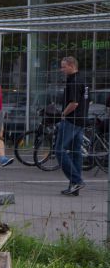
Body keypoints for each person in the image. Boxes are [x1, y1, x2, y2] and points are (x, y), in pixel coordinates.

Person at [56, 56, 90, 196]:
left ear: (71, 66)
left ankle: (76, 180)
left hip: (71, 120)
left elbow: (74, 103)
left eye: (63, 67)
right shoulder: (83, 80)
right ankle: (74, 186)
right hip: (81, 120)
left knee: (59, 150)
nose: (62, 69)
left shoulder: (74, 82)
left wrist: (63, 114)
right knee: (76, 152)